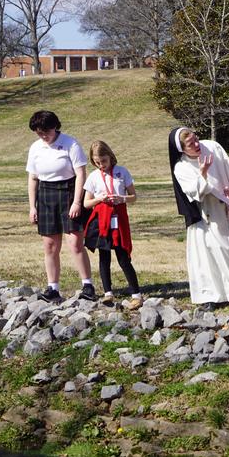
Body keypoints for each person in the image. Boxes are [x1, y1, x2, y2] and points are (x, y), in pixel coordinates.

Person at [168, 127, 229, 308]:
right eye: (191, 144)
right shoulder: (181, 167)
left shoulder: (212, 147)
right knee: (213, 252)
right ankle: (213, 296)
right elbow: (195, 192)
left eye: (196, 139)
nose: (197, 144)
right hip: (206, 213)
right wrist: (203, 172)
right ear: (182, 149)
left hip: (227, 208)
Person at [25, 110, 95, 303]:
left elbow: (81, 174)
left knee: (75, 243)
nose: (43, 136)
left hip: (69, 192)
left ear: (55, 126)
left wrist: (77, 202)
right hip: (46, 195)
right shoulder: (36, 148)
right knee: (50, 245)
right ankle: (53, 288)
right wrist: (33, 207)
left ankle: (88, 286)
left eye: (45, 131)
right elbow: (33, 178)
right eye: (39, 133)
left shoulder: (70, 144)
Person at [82, 140, 143, 310]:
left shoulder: (122, 172)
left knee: (123, 257)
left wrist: (121, 198)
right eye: (97, 162)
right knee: (104, 257)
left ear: (110, 156)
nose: (101, 165)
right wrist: (99, 199)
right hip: (102, 221)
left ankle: (136, 294)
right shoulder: (94, 176)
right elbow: (86, 203)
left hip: (119, 218)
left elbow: (134, 196)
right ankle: (108, 292)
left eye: (104, 161)